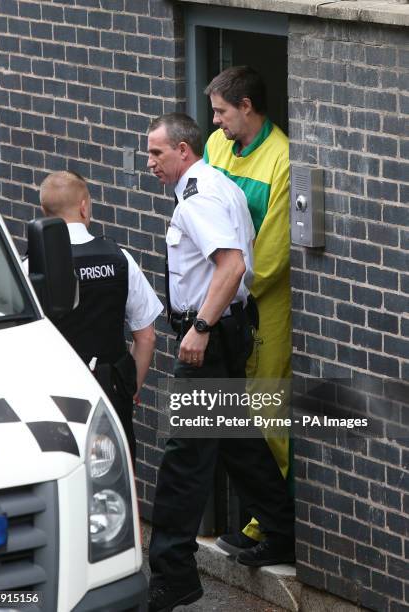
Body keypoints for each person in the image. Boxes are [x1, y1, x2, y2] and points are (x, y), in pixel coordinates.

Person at [146, 113, 294, 611]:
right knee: (237, 441)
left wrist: (200, 329)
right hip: (227, 331)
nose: (150, 164)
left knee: (183, 462)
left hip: (206, 339)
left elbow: (230, 265)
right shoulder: (218, 183)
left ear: (184, 151)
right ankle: (280, 529)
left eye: (157, 154)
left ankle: (172, 576)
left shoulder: (198, 196)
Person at [204, 66, 292, 565]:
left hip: (263, 304)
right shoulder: (218, 149)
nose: (215, 122)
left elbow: (275, 251)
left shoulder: (281, 158)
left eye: (221, 112)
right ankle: (258, 517)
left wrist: (229, 293)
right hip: (226, 301)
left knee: (266, 409)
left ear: (247, 108)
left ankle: (269, 527)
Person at [39, 171, 163, 461]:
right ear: (84, 206)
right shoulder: (120, 258)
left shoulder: (31, 265)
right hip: (111, 391)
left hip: (56, 396)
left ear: (44, 214)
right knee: (115, 477)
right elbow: (146, 337)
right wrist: (129, 388)